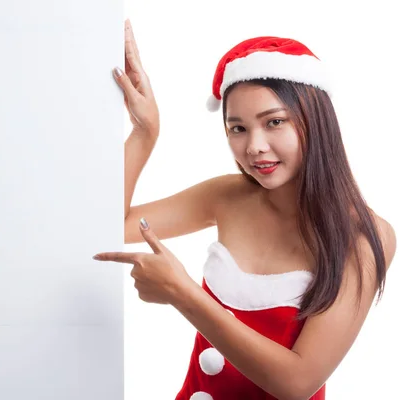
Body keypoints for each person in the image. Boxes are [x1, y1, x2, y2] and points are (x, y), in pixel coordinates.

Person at [93, 19, 397, 400]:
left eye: (274, 122)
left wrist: (183, 293)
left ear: (315, 122)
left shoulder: (365, 236)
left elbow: (297, 383)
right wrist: (144, 132)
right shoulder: (228, 195)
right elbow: (109, 223)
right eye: (237, 128)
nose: (254, 146)